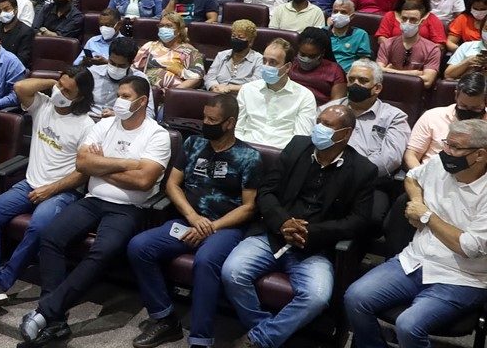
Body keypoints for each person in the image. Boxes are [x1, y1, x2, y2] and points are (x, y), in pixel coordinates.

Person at [19, 75, 171, 346]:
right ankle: (54, 318)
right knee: (50, 237)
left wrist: (100, 165)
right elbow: (82, 163)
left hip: (128, 208)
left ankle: (47, 311)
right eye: (118, 95)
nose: (119, 101)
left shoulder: (157, 135)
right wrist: (128, 164)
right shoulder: (104, 124)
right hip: (92, 199)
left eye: (125, 97)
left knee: (103, 252)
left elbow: (144, 181)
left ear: (142, 101)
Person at [222, 105, 377, 348]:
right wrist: (283, 222)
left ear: (345, 134)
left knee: (317, 297)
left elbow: (357, 221)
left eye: (327, 125)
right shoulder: (297, 146)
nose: (319, 128)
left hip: (315, 248)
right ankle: (265, 333)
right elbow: (267, 191)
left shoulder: (363, 170)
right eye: (319, 121)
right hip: (273, 234)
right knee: (232, 272)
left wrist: (311, 232)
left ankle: (258, 340)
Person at [128, 94, 261, 348]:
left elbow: (248, 207)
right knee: (139, 246)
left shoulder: (248, 157)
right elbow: (172, 184)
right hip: (189, 220)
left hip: (225, 228)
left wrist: (211, 226)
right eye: (204, 117)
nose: (205, 123)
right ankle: (165, 319)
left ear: (229, 123)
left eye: (212, 120)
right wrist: (193, 217)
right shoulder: (193, 144)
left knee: (205, 260)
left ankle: (200, 339)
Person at [345, 119, 487, 348]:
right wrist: (417, 201)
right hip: (415, 260)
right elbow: (412, 177)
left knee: (408, 326)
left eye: (455, 147)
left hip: (462, 277)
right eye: (446, 143)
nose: (447, 152)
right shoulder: (440, 163)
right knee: (355, 298)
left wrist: (426, 216)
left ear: (480, 155)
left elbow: (468, 247)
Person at [0, 71, 95, 313]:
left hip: (62, 191)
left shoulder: (86, 125)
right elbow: (21, 87)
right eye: (59, 86)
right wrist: (54, 82)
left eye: (67, 91)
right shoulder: (43, 105)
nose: (60, 92)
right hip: (29, 184)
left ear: (80, 97)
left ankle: (0, 282)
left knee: (38, 227)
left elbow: (83, 172)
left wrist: (50, 189)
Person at [320, 59, 410, 179]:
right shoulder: (328, 110)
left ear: (377, 88)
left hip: (367, 180)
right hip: (324, 172)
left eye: (363, 81)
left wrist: (348, 173)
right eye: (351, 80)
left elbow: (390, 158)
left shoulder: (395, 117)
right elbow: (310, 143)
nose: (355, 84)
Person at [235, 38, 317, 149]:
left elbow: (301, 138)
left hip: (281, 153)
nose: (266, 66)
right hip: (246, 150)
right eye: (264, 61)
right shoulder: (247, 89)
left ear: (287, 67)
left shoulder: (305, 96)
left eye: (273, 62)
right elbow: (237, 129)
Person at [406, 72, 487, 169]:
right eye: (463, 106)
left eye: (475, 108)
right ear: (456, 95)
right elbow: (411, 155)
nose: (468, 111)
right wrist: (420, 175)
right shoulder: (432, 116)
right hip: (431, 173)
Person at [376, 1, 441, 90]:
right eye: (404, 19)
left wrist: (388, 71)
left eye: (413, 19)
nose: (407, 23)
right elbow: (378, 73)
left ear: (421, 22)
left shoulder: (432, 49)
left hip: (415, 93)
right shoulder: (387, 44)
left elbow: (427, 81)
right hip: (388, 90)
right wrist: (414, 73)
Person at [133, 12, 205, 91]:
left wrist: (172, 92)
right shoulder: (150, 46)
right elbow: (134, 69)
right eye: (161, 25)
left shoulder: (189, 51)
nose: (164, 28)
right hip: (146, 90)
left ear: (179, 30)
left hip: (175, 93)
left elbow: (196, 78)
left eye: (169, 26)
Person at [88, 37, 155, 119]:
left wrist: (119, 115)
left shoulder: (140, 79)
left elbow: (149, 113)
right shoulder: (92, 72)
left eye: (121, 66)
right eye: (112, 63)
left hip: (121, 121)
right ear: (108, 58)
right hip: (90, 118)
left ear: (131, 63)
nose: (115, 68)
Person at [289, 27, 347, 105]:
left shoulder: (335, 70)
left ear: (322, 53)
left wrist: (318, 111)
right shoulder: (290, 64)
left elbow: (337, 102)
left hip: (320, 109)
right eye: (302, 54)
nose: (306, 59)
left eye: (312, 56)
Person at [376, 0, 447, 47]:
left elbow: (439, 44)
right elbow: (381, 38)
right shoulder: (390, 15)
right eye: (410, 0)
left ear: (423, 2)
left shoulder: (431, 18)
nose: (413, 3)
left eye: (418, 1)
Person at [205, 19, 263, 94]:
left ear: (250, 42)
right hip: (217, 94)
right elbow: (210, 77)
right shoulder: (221, 55)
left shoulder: (259, 59)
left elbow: (256, 84)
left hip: (242, 97)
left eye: (240, 37)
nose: (236, 39)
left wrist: (230, 88)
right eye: (233, 36)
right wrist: (215, 87)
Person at [326, 0, 372, 72]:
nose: (338, 15)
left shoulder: (360, 34)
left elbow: (364, 60)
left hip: (347, 74)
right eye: (335, 11)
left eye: (343, 12)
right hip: (324, 73)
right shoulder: (323, 31)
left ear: (352, 16)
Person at [0, 0, 35, 67]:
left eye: (6, 9)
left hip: (15, 68)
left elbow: (23, 59)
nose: (2, 13)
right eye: (0, 11)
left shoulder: (26, 31)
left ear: (15, 10)